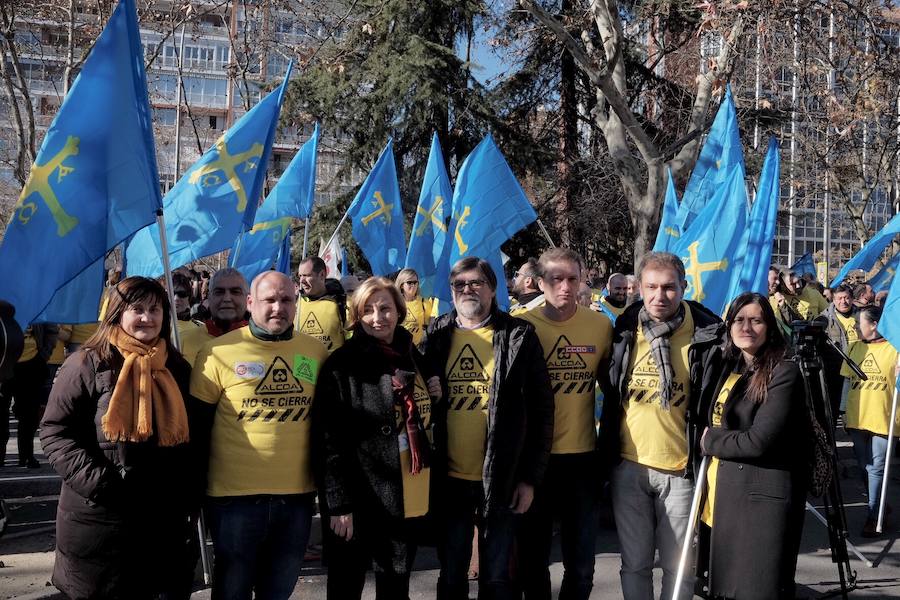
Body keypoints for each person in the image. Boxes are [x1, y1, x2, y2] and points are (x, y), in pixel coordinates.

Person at [39, 276, 197, 599]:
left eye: (155, 310)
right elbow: (55, 432)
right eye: (137, 309)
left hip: (161, 522)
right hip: (99, 520)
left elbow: (190, 439)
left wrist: (186, 492)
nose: (147, 318)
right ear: (116, 313)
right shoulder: (85, 363)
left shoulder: (177, 367)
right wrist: (102, 483)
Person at [190, 271, 329, 600]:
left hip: (296, 499)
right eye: (269, 300)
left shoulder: (315, 353)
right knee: (231, 592)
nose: (278, 308)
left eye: (286, 300)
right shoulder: (216, 353)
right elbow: (197, 432)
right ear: (251, 303)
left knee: (277, 592)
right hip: (233, 500)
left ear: (296, 305)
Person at [425, 256, 554, 600]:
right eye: (459, 284)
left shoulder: (518, 335)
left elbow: (542, 411)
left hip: (503, 479)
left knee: (498, 578)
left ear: (493, 289)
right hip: (450, 481)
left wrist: (530, 479)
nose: (467, 290)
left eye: (476, 283)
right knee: (451, 573)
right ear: (451, 291)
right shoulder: (436, 334)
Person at [599, 251, 725, 600]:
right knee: (635, 564)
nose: (660, 296)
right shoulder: (624, 330)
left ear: (684, 287)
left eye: (669, 287)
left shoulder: (710, 336)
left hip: (682, 471)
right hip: (629, 467)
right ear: (638, 288)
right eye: (651, 287)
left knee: (680, 567)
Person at [316, 277, 440, 599]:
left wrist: (435, 394)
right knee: (346, 586)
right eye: (367, 310)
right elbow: (329, 441)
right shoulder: (341, 365)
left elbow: (425, 415)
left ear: (399, 311)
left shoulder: (414, 356)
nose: (377, 317)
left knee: (396, 588)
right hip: (360, 498)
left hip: (408, 495)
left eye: (385, 308)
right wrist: (338, 502)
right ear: (357, 316)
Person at [697, 292, 809, 600]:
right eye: (739, 320)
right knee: (720, 590)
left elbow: (758, 441)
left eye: (756, 320)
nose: (746, 327)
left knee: (753, 590)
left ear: (769, 327)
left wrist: (709, 441)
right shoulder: (727, 367)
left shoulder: (784, 371)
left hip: (758, 504)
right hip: (719, 497)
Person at [517, 248, 612, 600]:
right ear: (540, 283)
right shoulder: (521, 326)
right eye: (556, 279)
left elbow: (615, 388)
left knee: (582, 564)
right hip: (533, 462)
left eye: (573, 278)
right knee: (533, 561)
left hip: (582, 459)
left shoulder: (600, 325)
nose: (565, 286)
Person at [841, 304, 900, 537]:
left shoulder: (894, 349)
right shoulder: (855, 348)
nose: (855, 327)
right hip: (858, 417)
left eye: (859, 323)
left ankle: (873, 515)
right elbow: (847, 386)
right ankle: (881, 505)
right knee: (864, 468)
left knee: (876, 469)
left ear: (874, 324)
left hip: (884, 418)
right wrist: (843, 414)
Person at [1, 323, 57, 468]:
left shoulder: (36, 302)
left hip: (32, 364)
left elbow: (51, 329)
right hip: (3, 363)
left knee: (29, 414)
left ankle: (26, 455)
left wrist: (44, 354)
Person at [180, 268, 249, 365]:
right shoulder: (182, 342)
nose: (227, 299)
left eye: (235, 292)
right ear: (209, 298)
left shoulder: (263, 344)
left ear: (247, 299)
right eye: (219, 292)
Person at [296, 256, 346, 352]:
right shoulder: (296, 303)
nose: (302, 281)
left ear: (322, 275)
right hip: (303, 365)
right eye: (300, 276)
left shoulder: (342, 302)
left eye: (306, 275)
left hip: (334, 365)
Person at [395, 268, 434, 347]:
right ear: (402, 285)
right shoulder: (395, 303)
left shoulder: (424, 303)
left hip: (417, 349)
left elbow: (430, 327)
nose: (413, 285)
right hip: (398, 347)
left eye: (415, 282)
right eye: (409, 282)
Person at [821, 284, 857, 351]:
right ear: (833, 300)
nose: (843, 302)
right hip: (838, 360)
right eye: (839, 298)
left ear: (852, 299)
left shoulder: (862, 316)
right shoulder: (825, 319)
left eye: (846, 298)